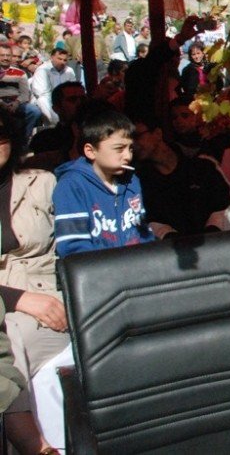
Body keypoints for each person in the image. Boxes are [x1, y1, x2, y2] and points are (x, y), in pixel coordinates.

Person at [0, 108, 69, 454]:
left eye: (1, 135)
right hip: (10, 305)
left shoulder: (41, 181)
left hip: (49, 293)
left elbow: (70, 246)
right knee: (10, 337)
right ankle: (36, 446)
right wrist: (18, 299)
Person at [52, 109, 153, 257]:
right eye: (119, 149)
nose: (128, 156)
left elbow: (143, 233)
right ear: (90, 151)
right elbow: (72, 245)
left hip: (135, 270)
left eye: (130, 148)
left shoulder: (132, 181)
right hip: (96, 272)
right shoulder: (71, 186)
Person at [131, 116, 230, 237]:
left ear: (158, 133)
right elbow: (150, 220)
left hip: (217, 242)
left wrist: (212, 233)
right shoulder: (140, 180)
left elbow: (227, 203)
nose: (133, 144)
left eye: (137, 136)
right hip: (171, 249)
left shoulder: (201, 164)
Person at [28, 48, 76, 125]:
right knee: (42, 99)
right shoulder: (42, 70)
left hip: (63, 100)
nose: (62, 62)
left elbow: (73, 89)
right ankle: (57, 123)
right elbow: (41, 93)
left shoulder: (69, 71)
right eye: (59, 59)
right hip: (45, 101)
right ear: (52, 57)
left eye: (65, 60)